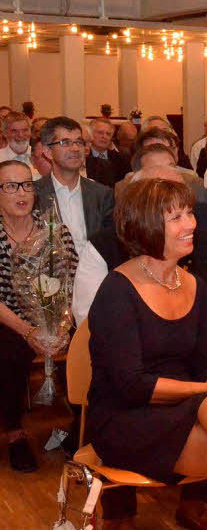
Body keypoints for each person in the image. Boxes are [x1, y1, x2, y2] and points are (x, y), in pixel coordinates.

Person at [88, 178, 207, 530]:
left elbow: (204, 365)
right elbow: (131, 386)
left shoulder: (193, 284)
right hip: (126, 418)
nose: (191, 224)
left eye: (189, 213)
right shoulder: (117, 290)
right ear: (146, 225)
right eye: (176, 218)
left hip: (182, 407)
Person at [0, 161, 76, 474]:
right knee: (8, 351)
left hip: (53, 318)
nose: (21, 193)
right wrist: (29, 331)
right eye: (10, 186)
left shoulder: (55, 230)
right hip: (8, 320)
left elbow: (70, 284)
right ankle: (16, 433)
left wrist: (61, 326)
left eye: (27, 185)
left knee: (92, 341)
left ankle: (81, 426)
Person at [34, 117, 115, 253]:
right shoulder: (34, 194)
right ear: (48, 151)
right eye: (65, 143)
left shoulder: (102, 195)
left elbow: (110, 247)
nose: (75, 148)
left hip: (95, 270)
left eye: (79, 142)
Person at [86, 118, 131, 188]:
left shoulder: (121, 159)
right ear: (90, 134)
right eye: (100, 132)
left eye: (108, 134)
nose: (104, 137)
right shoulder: (84, 157)